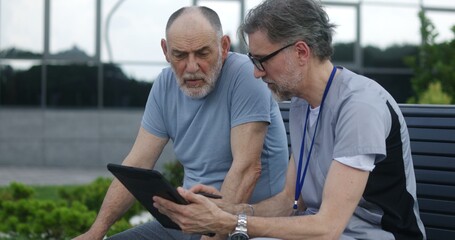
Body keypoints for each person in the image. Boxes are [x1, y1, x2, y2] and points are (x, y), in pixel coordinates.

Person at [153, 0, 427, 239]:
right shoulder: (302, 104)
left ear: (301, 52)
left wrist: (228, 222)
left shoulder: (359, 107)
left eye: (261, 60)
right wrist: (221, 209)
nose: (257, 73)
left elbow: (327, 228)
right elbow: (290, 202)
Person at [74, 6, 289, 240]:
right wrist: (95, 232)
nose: (192, 67)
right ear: (166, 51)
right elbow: (137, 163)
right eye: (180, 55)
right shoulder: (164, 85)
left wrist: (212, 235)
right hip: (186, 222)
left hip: (247, 226)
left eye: (203, 53)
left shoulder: (246, 75)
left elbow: (247, 168)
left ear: (224, 47)